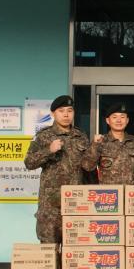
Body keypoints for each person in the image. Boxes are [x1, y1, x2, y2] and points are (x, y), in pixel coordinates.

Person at [24, 95, 89, 243]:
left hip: (76, 200)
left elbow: (87, 167)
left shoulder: (81, 136)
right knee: (49, 246)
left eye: (70, 110)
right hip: (51, 204)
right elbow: (29, 163)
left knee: (75, 246)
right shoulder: (43, 136)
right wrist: (49, 150)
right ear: (53, 114)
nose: (66, 114)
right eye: (61, 111)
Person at [81, 103, 134, 184]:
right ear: (107, 120)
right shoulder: (101, 141)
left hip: (131, 193)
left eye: (122, 117)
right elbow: (87, 167)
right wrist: (95, 145)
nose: (119, 120)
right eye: (114, 117)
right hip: (109, 194)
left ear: (127, 120)